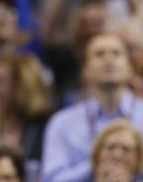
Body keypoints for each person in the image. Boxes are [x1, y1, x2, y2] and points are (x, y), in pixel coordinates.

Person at [41, 33, 143, 182]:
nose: (109, 60)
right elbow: (52, 178)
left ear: (129, 68)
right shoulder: (62, 123)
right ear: (86, 70)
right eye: (99, 54)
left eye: (116, 53)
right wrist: (95, 167)